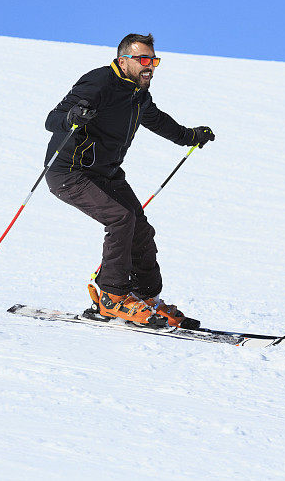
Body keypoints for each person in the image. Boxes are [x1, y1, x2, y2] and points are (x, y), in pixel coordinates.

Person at [43, 33, 215, 328]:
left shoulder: (138, 95)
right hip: (70, 172)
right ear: (123, 61)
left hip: (107, 174)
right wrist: (73, 115)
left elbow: (158, 121)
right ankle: (111, 297)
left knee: (141, 228)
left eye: (154, 61)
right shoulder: (99, 82)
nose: (150, 67)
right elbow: (53, 118)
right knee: (121, 219)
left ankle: (145, 298)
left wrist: (191, 136)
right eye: (144, 60)